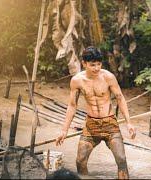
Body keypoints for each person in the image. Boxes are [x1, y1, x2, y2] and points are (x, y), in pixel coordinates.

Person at [55, 46, 136, 179]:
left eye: (99, 64)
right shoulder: (77, 80)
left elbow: (120, 98)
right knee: (80, 161)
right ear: (84, 63)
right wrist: (64, 130)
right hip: (91, 125)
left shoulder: (108, 77)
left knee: (121, 159)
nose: (96, 68)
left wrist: (129, 123)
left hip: (110, 124)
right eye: (92, 65)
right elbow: (72, 105)